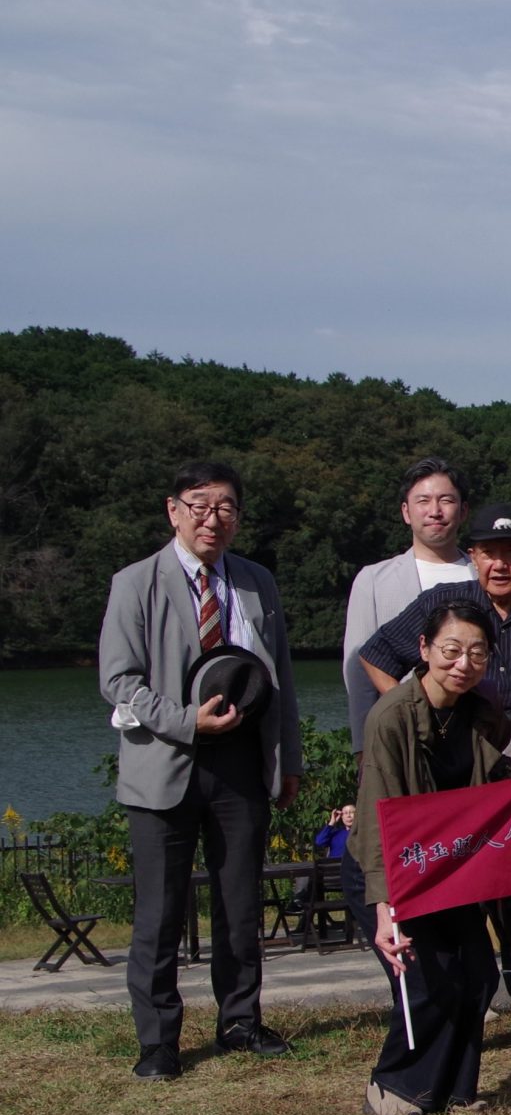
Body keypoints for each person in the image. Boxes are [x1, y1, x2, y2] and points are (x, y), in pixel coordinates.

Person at [363, 502, 511, 1056]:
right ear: (471, 557)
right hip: (463, 750)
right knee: (455, 879)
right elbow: (374, 655)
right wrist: (419, 718)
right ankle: (461, 998)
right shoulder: (445, 607)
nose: (500, 563)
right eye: (488, 552)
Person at [99, 462, 305, 1079]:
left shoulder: (255, 581)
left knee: (239, 903)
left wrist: (287, 760)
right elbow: (117, 681)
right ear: (173, 510)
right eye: (199, 505)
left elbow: (283, 679)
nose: (212, 519)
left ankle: (240, 1021)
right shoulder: (135, 583)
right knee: (160, 911)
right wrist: (189, 722)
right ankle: (159, 1041)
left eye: (226, 507)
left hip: (241, 765)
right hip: (164, 762)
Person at [351, 601, 511, 1115]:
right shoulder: (390, 717)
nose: (463, 663)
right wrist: (385, 906)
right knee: (427, 981)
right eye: (451, 650)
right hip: (390, 868)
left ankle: (456, 1090)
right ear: (425, 649)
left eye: (477, 652)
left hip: (450, 867)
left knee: (475, 974)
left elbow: (491, 782)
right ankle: (394, 1087)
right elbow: (376, 813)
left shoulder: (481, 714)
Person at [342, 457, 474, 757]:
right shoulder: (373, 580)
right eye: (423, 501)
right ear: (406, 511)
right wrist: (365, 748)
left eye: (446, 500)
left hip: (474, 736)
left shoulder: (483, 576)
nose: (435, 511)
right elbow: (357, 671)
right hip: (399, 739)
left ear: (463, 510)